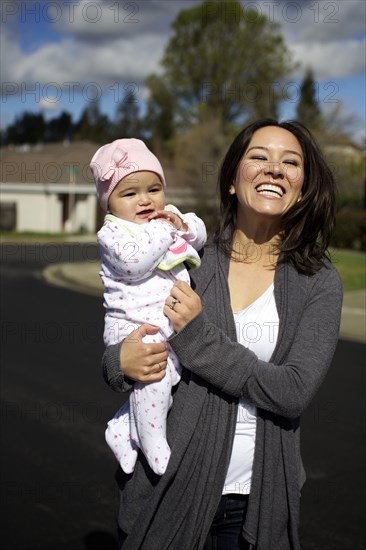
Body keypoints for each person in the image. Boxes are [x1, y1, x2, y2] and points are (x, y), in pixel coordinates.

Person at [101, 120, 343, 550]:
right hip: (170, 488)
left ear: (303, 187)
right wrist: (117, 362)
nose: (273, 169)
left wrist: (196, 337)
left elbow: (292, 391)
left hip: (254, 500)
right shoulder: (190, 258)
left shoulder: (318, 281)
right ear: (232, 180)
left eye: (290, 162)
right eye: (258, 157)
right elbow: (129, 318)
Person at [91, 138, 207, 475]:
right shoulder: (112, 235)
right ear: (109, 204)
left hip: (165, 325)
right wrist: (163, 230)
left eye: (153, 189)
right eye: (129, 193)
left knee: (170, 377)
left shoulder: (166, 218)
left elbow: (198, 232)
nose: (145, 200)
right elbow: (134, 263)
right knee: (155, 378)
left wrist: (182, 225)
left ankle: (122, 428)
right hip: (133, 326)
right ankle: (150, 437)